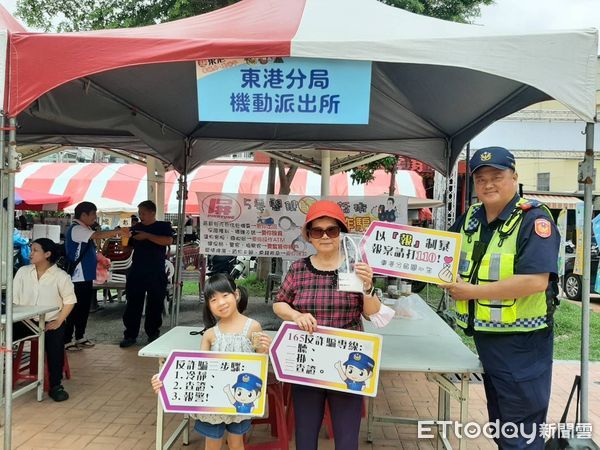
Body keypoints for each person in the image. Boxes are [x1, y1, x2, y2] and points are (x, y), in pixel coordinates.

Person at [443, 146, 559, 450]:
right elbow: (441, 255)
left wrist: (472, 292)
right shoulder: (471, 217)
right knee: (504, 426)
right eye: (481, 179)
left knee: (522, 430)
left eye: (497, 176)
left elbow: (535, 280)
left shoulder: (533, 219)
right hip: (487, 337)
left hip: (523, 342)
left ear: (514, 177)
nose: (489, 184)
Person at [272, 200, 383, 450]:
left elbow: (372, 313)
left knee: (346, 437)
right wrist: (295, 316)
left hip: (350, 360)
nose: (324, 236)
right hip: (308, 361)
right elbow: (279, 304)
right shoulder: (299, 269)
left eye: (331, 230)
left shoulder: (355, 268)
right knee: (306, 433)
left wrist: (368, 286)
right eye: (317, 231)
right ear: (309, 236)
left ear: (341, 233)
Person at [151, 273, 272, 450]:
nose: (221, 303)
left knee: (236, 442)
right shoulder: (209, 335)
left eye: (225, 295)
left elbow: (258, 363)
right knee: (212, 444)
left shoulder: (252, 327)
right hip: (212, 405)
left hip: (240, 402)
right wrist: (164, 380)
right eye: (213, 299)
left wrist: (264, 349)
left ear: (236, 294)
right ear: (208, 305)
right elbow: (201, 370)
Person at [13, 238, 77, 401]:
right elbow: (14, 299)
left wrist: (59, 321)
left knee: (55, 344)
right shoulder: (22, 272)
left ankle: (55, 385)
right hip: (25, 321)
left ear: (47, 254)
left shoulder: (60, 276)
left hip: (50, 321)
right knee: (4, 337)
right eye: (31, 249)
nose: (31, 253)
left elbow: (70, 301)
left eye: (35, 250)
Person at [64, 202, 122, 351]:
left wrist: (101, 260)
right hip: (77, 277)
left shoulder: (85, 228)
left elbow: (91, 250)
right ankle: (67, 339)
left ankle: (80, 336)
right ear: (83, 215)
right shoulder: (76, 229)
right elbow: (97, 235)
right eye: (93, 214)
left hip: (86, 276)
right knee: (74, 309)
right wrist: (118, 232)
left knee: (83, 308)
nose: (95, 218)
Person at [120, 200, 174, 348]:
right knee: (133, 303)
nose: (141, 215)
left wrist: (147, 236)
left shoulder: (163, 226)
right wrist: (123, 241)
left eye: (143, 213)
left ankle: (153, 333)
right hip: (137, 270)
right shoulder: (135, 228)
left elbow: (167, 240)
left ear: (152, 212)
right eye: (139, 213)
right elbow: (128, 249)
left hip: (156, 270)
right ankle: (130, 334)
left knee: (155, 303)